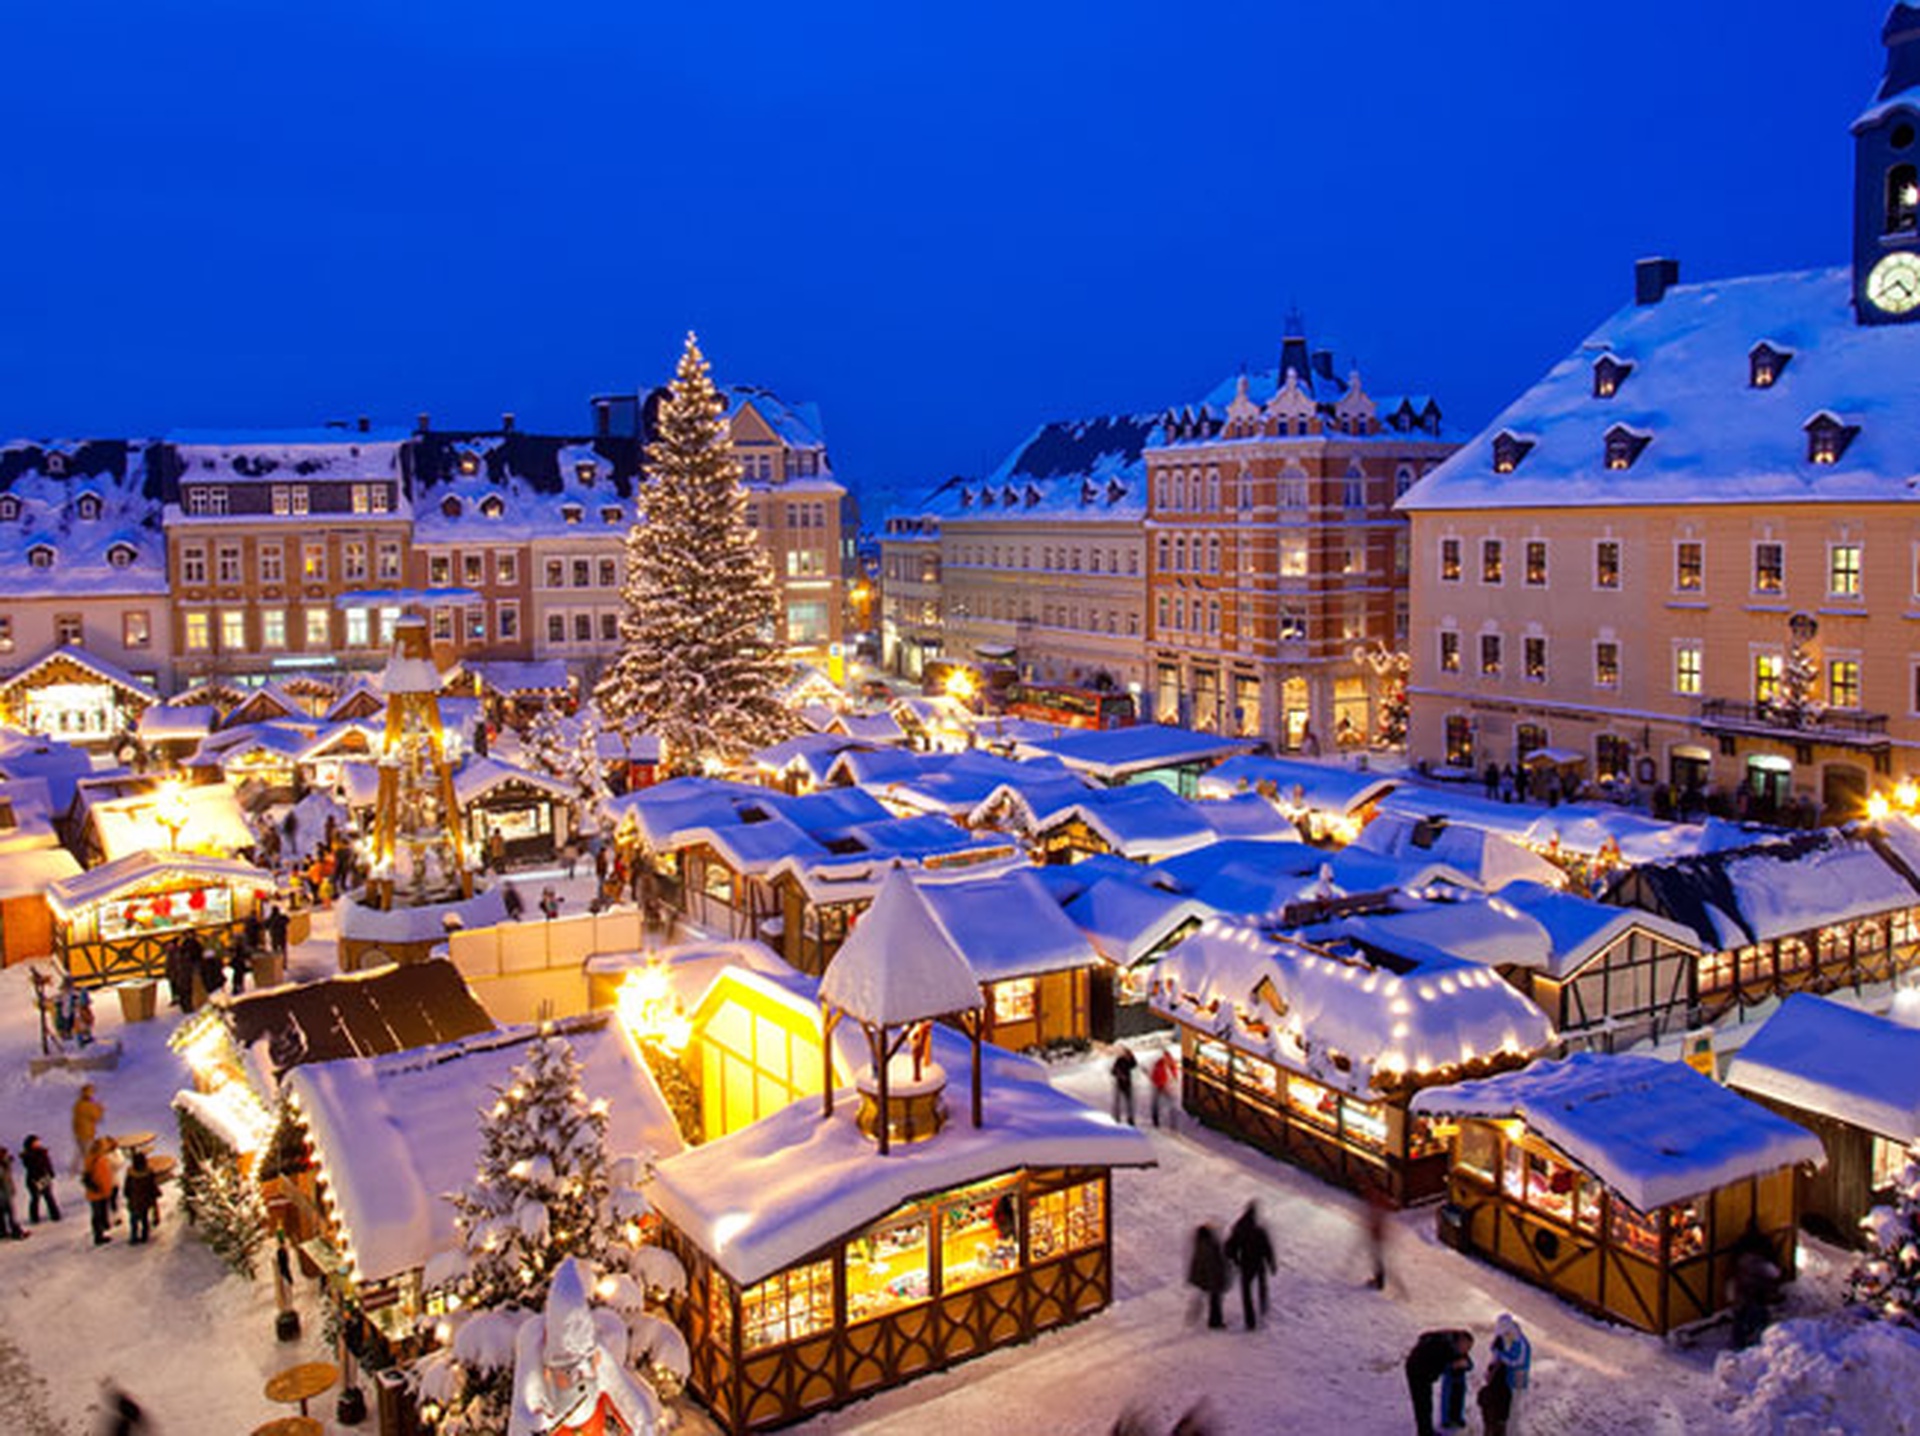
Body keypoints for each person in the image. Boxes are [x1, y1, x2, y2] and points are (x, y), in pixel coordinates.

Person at [1405, 1330, 1472, 1436]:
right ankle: (1425, 1433)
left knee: (1426, 1403)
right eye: (1466, 1347)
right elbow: (1439, 1362)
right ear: (1460, 1340)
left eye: (1469, 1348)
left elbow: (1468, 1363)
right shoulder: (1443, 1345)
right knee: (1422, 1403)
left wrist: (1465, 1364)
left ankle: (1427, 1430)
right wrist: (1451, 1365)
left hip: (1424, 1369)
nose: (1466, 1351)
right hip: (1417, 1370)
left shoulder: (1454, 1343)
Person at [1222, 1200, 1275, 1332]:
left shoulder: (1239, 1227)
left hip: (1246, 1263)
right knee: (1262, 1285)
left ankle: (1250, 1321)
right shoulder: (1259, 1228)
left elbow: (1229, 1247)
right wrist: (1271, 1263)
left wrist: (1235, 1260)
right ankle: (1263, 1309)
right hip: (1259, 1262)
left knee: (1246, 1292)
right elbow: (1267, 1247)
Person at [1490, 1313, 1531, 1434]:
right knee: (1508, 1407)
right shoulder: (1509, 1336)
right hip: (1509, 1378)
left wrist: (1500, 1355)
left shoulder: (1520, 1342)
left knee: (1515, 1407)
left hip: (1518, 1378)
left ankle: (1513, 1432)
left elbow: (1516, 1361)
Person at [1187, 1223, 1229, 1330]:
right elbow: (1213, 1263)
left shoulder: (1199, 1244)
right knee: (1215, 1300)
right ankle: (1215, 1322)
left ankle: (1209, 1319)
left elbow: (1196, 1263)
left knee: (1210, 1299)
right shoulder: (1209, 1245)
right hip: (1212, 1277)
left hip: (1204, 1277)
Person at [84, 1136, 118, 1246]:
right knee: (97, 1214)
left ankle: (104, 1226)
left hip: (103, 1191)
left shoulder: (99, 1158)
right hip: (97, 1192)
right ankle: (98, 1236)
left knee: (102, 1211)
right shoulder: (94, 1160)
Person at [123, 1151, 159, 1245]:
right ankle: (144, 1235)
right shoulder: (149, 1173)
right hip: (145, 1201)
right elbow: (152, 1186)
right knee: (144, 1218)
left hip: (134, 1201)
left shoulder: (131, 1174)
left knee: (133, 1220)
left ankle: (134, 1237)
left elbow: (127, 1187)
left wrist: (127, 1195)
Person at [22, 1135, 59, 1223]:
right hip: (34, 1180)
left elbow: (47, 1164)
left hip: (44, 1177)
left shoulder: (42, 1152)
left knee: (49, 1196)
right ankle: (34, 1218)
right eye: (35, 1142)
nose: (38, 1143)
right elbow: (31, 1167)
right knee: (35, 1198)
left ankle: (55, 1216)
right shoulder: (28, 1155)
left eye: (38, 1142)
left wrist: (50, 1172)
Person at [72, 1083, 104, 1174]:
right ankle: (88, 1171)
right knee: (87, 1154)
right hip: (86, 1133)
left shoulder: (78, 1104)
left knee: (79, 1151)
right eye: (91, 1092)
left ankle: (74, 1170)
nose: (93, 1094)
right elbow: (96, 1117)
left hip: (79, 1132)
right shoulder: (88, 1106)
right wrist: (100, 1109)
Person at [1476, 1361, 1514, 1436]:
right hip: (1501, 1424)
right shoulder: (1507, 1390)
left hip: (1490, 1424)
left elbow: (1480, 1402)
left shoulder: (1486, 1391)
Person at [1149, 1048, 1178, 1129]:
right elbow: (1154, 1074)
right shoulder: (1159, 1064)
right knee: (1156, 1102)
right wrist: (1155, 1082)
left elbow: (1173, 1068)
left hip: (1164, 1084)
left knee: (1169, 1101)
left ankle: (1172, 1122)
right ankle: (1155, 1119)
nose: (1167, 1059)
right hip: (1158, 1084)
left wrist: (1175, 1076)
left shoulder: (1169, 1062)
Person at [0, 1145, 24, 1240]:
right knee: (10, 1213)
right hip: (3, 1194)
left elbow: (8, 1178)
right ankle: (16, 1232)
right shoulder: (2, 1166)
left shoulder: (5, 1165)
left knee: (5, 1213)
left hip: (7, 1191)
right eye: (5, 1155)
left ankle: (3, 1232)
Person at [1110, 1044, 1138, 1126]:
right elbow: (1113, 1071)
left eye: (1127, 1053)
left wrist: (1132, 1056)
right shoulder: (1119, 1060)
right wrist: (1119, 1074)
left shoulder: (1129, 1060)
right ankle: (1117, 1117)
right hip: (1120, 1083)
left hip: (1127, 1083)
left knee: (1129, 1102)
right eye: (1126, 1053)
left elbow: (1134, 1065)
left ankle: (1130, 1119)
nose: (1126, 1054)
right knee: (1118, 1101)